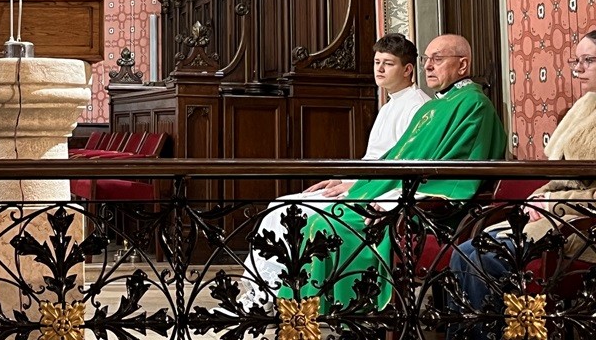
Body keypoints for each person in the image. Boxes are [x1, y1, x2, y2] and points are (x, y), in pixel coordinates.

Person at [284, 34, 506, 313]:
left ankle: (355, 314)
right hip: (399, 198)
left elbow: (456, 173)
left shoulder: (473, 105)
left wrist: (395, 198)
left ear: (462, 65)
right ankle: (314, 315)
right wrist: (360, 186)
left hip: (427, 212)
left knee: (328, 227)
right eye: (426, 59)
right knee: (316, 221)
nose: (428, 66)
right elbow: (397, 158)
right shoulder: (436, 105)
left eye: (437, 59)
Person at [241, 33, 431, 309]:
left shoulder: (417, 107)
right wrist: (343, 179)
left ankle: (272, 297)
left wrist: (354, 185)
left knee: (292, 213)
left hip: (379, 194)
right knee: (280, 206)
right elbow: (373, 160)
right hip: (365, 185)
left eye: (388, 63)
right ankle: (266, 291)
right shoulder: (390, 104)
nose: (379, 69)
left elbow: (402, 166)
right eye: (377, 62)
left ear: (408, 69)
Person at [448, 30, 596, 340]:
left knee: (484, 259)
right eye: (576, 61)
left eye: (589, 60)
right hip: (556, 218)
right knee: (464, 251)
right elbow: (558, 176)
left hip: (583, 228)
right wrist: (536, 200)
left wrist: (553, 204)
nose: (579, 69)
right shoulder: (583, 107)